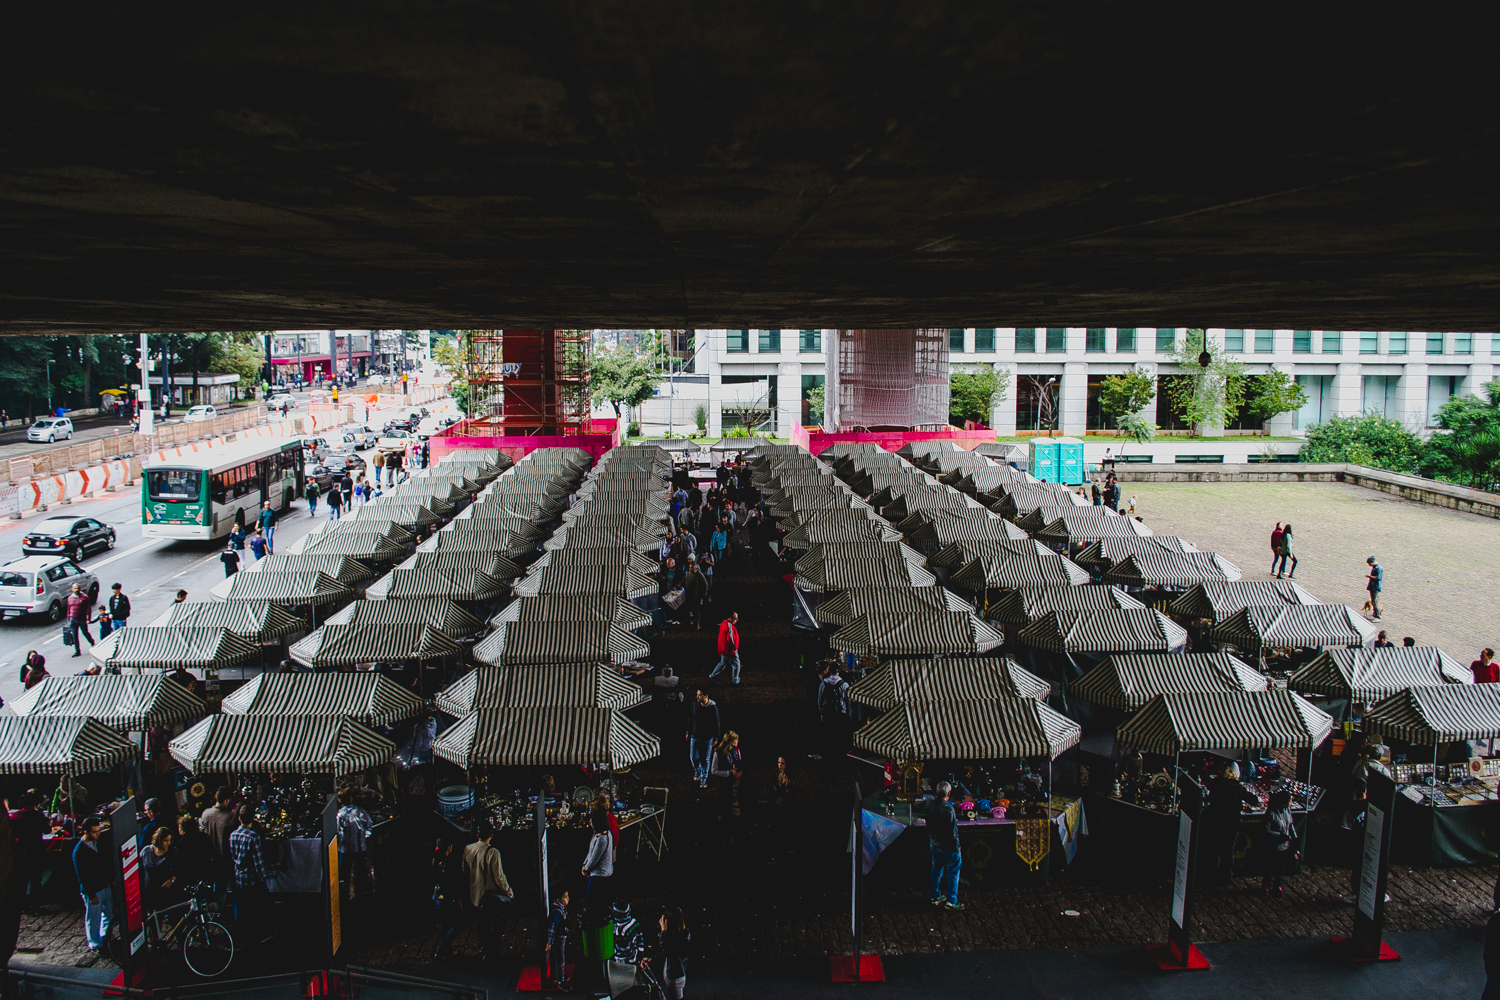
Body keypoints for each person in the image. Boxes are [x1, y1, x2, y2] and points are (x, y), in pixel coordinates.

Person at [464, 819, 514, 962]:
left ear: (477, 834)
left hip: (476, 895)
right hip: (490, 896)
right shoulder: (493, 853)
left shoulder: (468, 849)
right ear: (491, 835)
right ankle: (492, 951)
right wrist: (509, 891)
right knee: (499, 923)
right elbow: (499, 877)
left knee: (482, 925)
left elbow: (465, 871)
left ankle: (486, 949)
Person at [1203, 766, 1257, 885]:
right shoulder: (1237, 788)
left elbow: (1209, 798)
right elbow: (1254, 800)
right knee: (1228, 850)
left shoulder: (1215, 784)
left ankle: (1211, 878)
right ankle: (1226, 878)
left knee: (1214, 850)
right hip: (1231, 822)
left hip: (1215, 820)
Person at [230, 804, 274, 937]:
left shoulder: (233, 835)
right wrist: (263, 877)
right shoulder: (253, 837)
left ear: (239, 819)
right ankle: (258, 934)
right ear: (253, 819)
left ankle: (240, 935)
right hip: (252, 879)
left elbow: (233, 857)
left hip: (239, 878)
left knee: (243, 909)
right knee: (257, 909)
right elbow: (258, 862)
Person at [73, 816, 113, 953]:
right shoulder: (79, 852)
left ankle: (107, 937)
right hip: (93, 889)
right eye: (94, 831)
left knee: (109, 913)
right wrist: (90, 894)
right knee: (94, 917)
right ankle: (95, 944)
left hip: (104, 885)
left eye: (98, 830)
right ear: (85, 832)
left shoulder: (99, 843)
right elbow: (82, 876)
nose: (98, 834)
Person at [9, 790, 47, 913]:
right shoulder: (37, 815)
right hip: (35, 849)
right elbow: (47, 830)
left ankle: (22, 906)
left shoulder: (15, 816)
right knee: (35, 879)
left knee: (21, 880)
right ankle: (35, 906)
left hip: (20, 851)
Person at [927, 781, 962, 910]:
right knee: (953, 872)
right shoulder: (948, 809)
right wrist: (956, 847)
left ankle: (935, 896)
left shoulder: (930, 805)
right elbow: (952, 831)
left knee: (936, 870)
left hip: (935, 844)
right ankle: (951, 900)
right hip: (948, 847)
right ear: (949, 793)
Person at [336, 788, 374, 900]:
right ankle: (369, 891)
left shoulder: (340, 815)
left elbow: (339, 833)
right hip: (360, 847)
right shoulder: (360, 811)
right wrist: (364, 838)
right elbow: (369, 826)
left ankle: (344, 894)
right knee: (362, 871)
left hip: (345, 849)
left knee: (344, 873)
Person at [432, 836, 465, 960]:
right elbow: (453, 885)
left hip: (437, 896)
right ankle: (443, 949)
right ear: (448, 848)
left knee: (443, 923)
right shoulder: (448, 864)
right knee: (458, 925)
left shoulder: (435, 860)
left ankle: (447, 950)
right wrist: (459, 901)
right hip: (447, 899)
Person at [200, 786, 237, 885]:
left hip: (208, 858)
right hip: (223, 860)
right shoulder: (229, 818)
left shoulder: (205, 814)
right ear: (227, 800)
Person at [1261, 788, 1295, 894]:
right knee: (1269, 866)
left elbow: (1290, 824)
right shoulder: (1271, 813)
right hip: (1272, 846)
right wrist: (1281, 836)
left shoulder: (1287, 811)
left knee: (1280, 867)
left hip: (1284, 846)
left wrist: (1293, 835)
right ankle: (1266, 885)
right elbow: (1266, 830)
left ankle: (1277, 885)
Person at [140, 828, 182, 911]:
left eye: (169, 840)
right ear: (159, 840)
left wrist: (172, 879)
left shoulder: (173, 852)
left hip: (165, 892)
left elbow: (180, 868)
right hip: (149, 891)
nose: (168, 843)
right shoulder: (146, 852)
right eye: (165, 841)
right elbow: (140, 868)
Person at [687, 688, 720, 787]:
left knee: (705, 759)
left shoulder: (713, 708)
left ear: (706, 696)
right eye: (697, 695)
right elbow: (691, 718)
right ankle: (697, 770)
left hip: (707, 737)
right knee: (693, 757)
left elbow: (716, 723)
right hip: (695, 735)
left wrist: (715, 738)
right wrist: (688, 731)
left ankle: (703, 778)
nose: (697, 697)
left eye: (699, 695)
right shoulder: (694, 705)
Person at [581, 812, 614, 905]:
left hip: (600, 874)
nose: (590, 823)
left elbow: (594, 857)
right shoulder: (601, 834)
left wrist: (586, 868)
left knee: (593, 899)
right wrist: (585, 864)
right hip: (602, 872)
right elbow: (591, 852)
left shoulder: (602, 839)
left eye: (592, 822)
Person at [709, 731, 743, 816]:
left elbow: (739, 762)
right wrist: (729, 772)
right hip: (724, 783)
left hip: (735, 782)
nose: (737, 741)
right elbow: (713, 771)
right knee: (725, 805)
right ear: (731, 741)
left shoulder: (736, 750)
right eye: (736, 740)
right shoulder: (718, 753)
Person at [175, 814, 214, 886]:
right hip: (206, 871)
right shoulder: (205, 837)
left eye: (180, 827)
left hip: (190, 875)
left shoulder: (181, 843)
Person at [545, 889, 571, 991]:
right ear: (558, 899)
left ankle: (556, 975)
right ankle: (560, 980)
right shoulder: (557, 912)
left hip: (561, 937)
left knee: (557, 957)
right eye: (565, 897)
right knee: (560, 958)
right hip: (559, 938)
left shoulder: (561, 909)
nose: (568, 899)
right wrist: (549, 942)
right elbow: (552, 927)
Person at [709, 611, 741, 684]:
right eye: (736, 619)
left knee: (722, 663)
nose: (736, 620)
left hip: (723, 649)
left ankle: (712, 676)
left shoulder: (723, 623)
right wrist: (734, 647)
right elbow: (730, 639)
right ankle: (735, 680)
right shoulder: (729, 626)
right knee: (736, 664)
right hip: (729, 649)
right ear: (731, 618)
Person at [66, 582, 93, 656]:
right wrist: (68, 619)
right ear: (72, 589)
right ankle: (77, 650)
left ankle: (92, 643)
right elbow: (68, 609)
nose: (76, 590)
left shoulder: (84, 597)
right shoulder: (70, 598)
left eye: (78, 588)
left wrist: (88, 618)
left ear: (80, 589)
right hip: (73, 619)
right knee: (75, 635)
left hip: (82, 619)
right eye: (75, 588)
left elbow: (88, 608)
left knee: (85, 633)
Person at [681, 558, 707, 630]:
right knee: (689, 609)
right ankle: (691, 620)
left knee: (696, 610)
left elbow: (705, 585)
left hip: (696, 596)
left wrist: (703, 595)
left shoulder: (700, 575)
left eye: (691, 567)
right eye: (689, 567)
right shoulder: (689, 574)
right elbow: (684, 579)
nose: (689, 569)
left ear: (695, 568)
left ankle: (697, 623)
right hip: (689, 595)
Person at [1365, 556, 1384, 621]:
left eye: (1369, 563)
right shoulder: (1375, 567)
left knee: (1374, 601)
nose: (1369, 565)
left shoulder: (1378, 568)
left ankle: (1378, 616)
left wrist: (1370, 576)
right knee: (1374, 601)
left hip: (1375, 587)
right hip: (1373, 586)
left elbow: (1378, 578)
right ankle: (1375, 613)